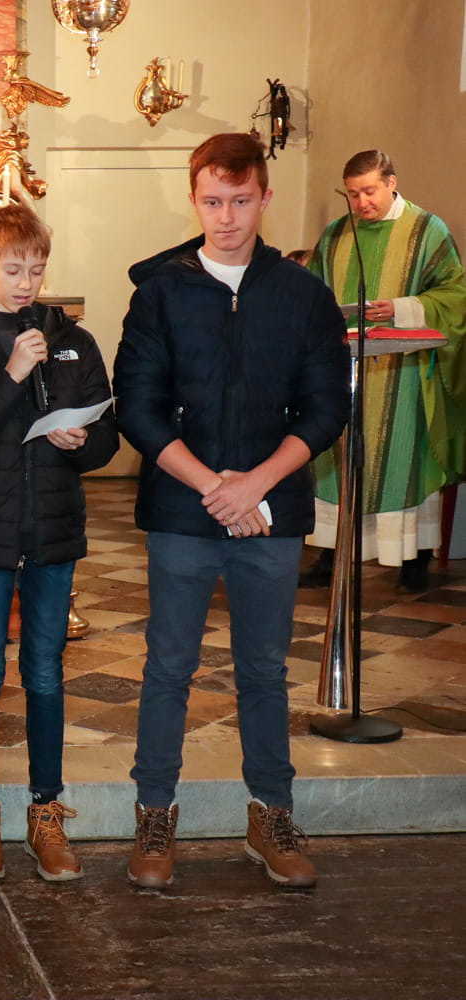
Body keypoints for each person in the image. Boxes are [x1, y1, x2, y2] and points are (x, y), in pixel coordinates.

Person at [114, 133, 349, 890]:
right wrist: (216, 488)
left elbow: (326, 407)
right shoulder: (160, 291)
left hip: (271, 510)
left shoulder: (302, 294)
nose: (226, 217)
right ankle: (155, 815)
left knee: (263, 671)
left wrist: (256, 486)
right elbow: (139, 408)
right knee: (169, 667)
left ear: (264, 198)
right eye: (212, 201)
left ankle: (271, 815)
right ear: (194, 199)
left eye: (240, 201)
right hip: (183, 510)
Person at [0, 203, 117, 883]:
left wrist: (80, 439)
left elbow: (106, 440)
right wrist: (10, 375)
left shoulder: (74, 342)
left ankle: (46, 812)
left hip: (53, 530)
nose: (26, 283)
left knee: (45, 672)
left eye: (36, 270)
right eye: (12, 270)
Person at [300, 150, 466, 593]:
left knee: (404, 459)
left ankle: (414, 558)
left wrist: (401, 308)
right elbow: (312, 292)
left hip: (404, 373)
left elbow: (455, 295)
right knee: (337, 458)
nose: (361, 203)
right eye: (353, 194)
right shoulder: (337, 234)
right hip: (345, 370)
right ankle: (330, 554)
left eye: (369, 191)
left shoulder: (426, 231)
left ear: (392, 182)